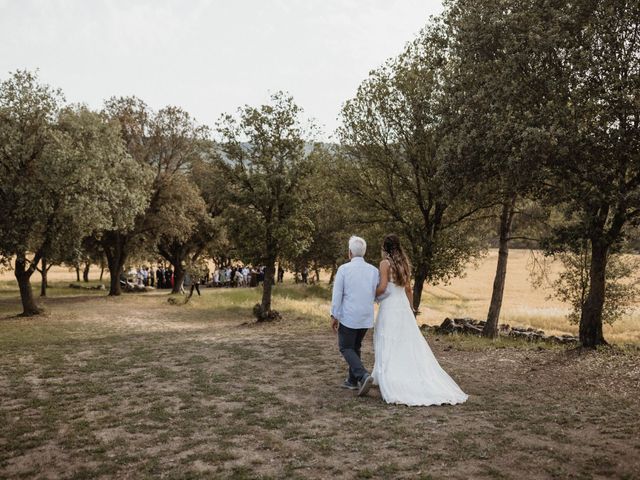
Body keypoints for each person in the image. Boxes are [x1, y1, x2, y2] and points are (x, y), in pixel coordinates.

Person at [373, 234, 468, 406]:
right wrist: (411, 308)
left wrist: (371, 292)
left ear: (384, 248)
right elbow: (408, 289)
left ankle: (389, 376)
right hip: (402, 305)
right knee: (405, 342)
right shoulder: (403, 263)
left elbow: (383, 287)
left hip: (389, 306)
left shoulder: (384, 264)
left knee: (387, 338)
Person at [330, 236, 378, 397]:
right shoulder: (373, 270)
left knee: (345, 347)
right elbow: (376, 293)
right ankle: (351, 381)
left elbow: (337, 294)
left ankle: (363, 375)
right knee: (355, 346)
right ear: (364, 252)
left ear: (349, 252)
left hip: (349, 316)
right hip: (366, 317)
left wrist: (334, 315)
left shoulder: (344, 269)